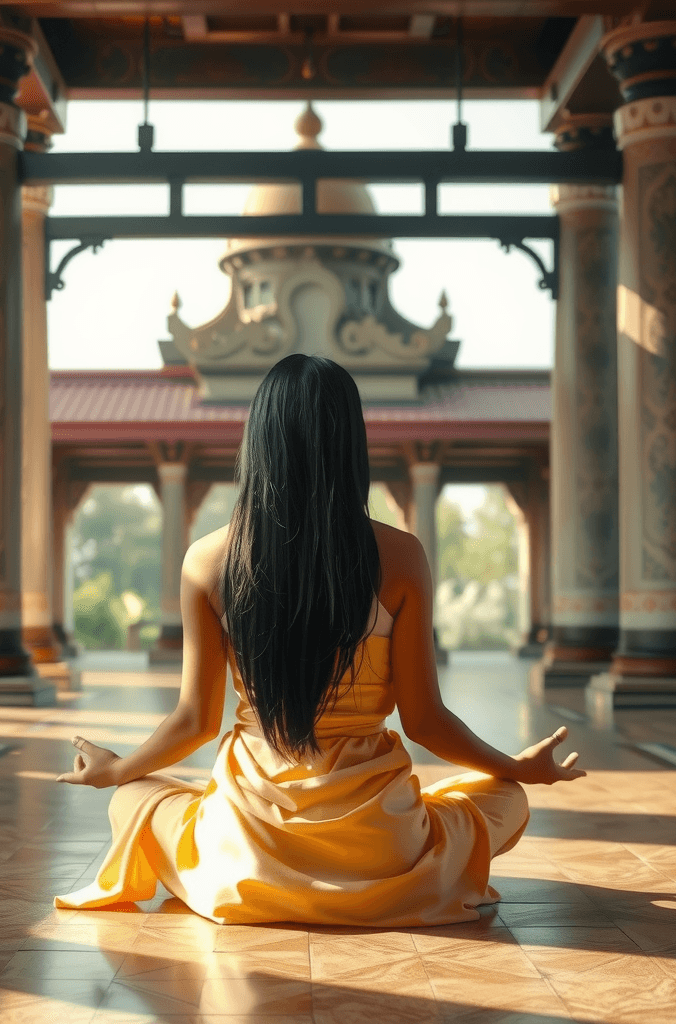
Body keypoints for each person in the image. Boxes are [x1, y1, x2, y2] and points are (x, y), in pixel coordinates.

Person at [55, 354, 585, 926]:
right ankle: (383, 881)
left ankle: (252, 881)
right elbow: (426, 721)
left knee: (134, 799)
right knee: (504, 798)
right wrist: (516, 767)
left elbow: (195, 722)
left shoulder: (207, 561)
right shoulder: (401, 557)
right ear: (350, 445)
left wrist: (117, 769)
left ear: (257, 443)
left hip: (249, 856)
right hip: (381, 847)